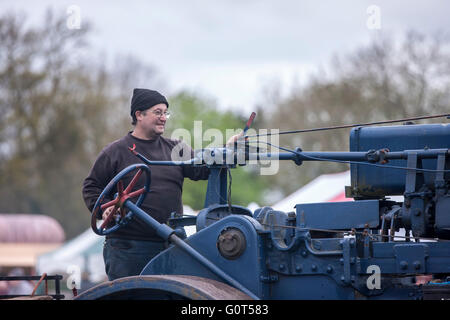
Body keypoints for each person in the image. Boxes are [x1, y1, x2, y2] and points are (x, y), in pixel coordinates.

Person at [82, 89, 238, 281]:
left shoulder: (176, 149)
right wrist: (105, 209)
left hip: (170, 245)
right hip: (128, 249)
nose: (164, 118)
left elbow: (204, 168)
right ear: (139, 115)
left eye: (166, 112)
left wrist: (228, 150)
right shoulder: (115, 152)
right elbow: (91, 187)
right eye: (158, 112)